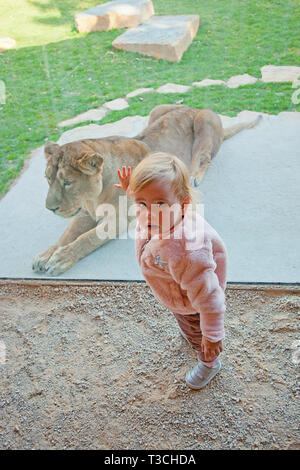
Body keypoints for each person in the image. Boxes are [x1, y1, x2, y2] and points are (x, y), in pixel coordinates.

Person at [114, 152, 227, 389]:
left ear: (183, 203)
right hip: (177, 292)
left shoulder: (187, 252)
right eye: (141, 203)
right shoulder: (159, 218)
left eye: (159, 204)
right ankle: (191, 332)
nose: (148, 212)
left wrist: (213, 334)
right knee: (183, 321)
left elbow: (210, 299)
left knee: (199, 335)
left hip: (193, 305)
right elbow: (149, 199)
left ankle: (209, 363)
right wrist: (132, 191)